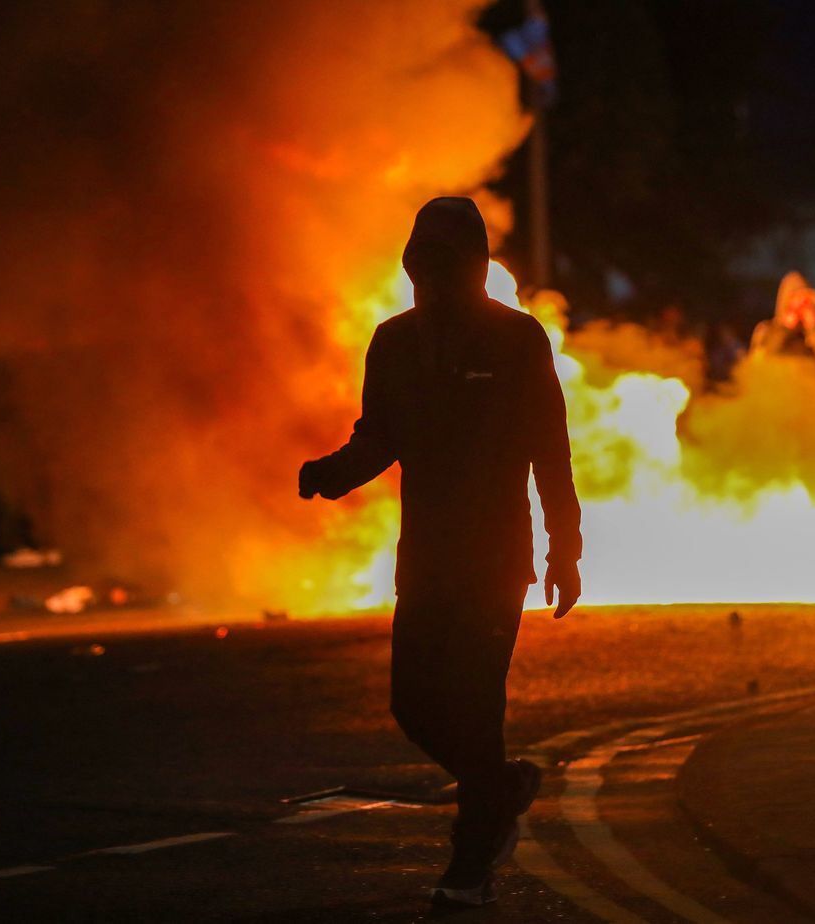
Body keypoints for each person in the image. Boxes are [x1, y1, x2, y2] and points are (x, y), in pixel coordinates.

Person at [299, 196, 583, 907]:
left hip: (495, 559)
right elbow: (379, 436)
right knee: (413, 705)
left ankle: (471, 860)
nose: (432, 278)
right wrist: (334, 472)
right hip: (425, 558)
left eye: (445, 263)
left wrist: (564, 549)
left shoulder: (518, 341)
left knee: (475, 703)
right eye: (422, 264)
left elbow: (551, 450)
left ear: (477, 267)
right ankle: (500, 791)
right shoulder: (393, 343)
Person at [751, 270, 815, 373]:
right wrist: (784, 329)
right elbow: (759, 363)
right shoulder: (765, 330)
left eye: (806, 302)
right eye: (798, 302)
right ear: (786, 303)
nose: (803, 308)